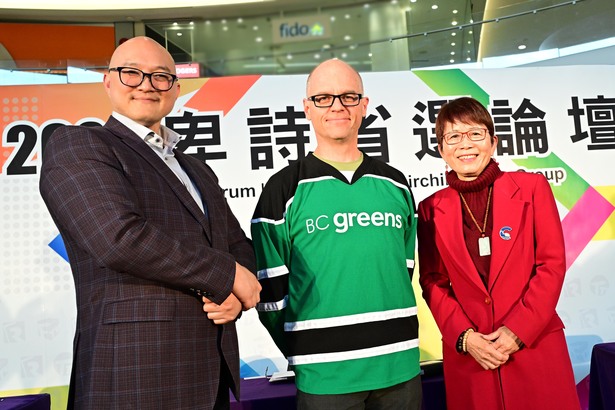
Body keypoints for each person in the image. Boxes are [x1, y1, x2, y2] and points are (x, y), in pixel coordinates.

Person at [39, 36, 261, 409]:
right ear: (108, 81)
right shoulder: (80, 145)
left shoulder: (197, 168)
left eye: (160, 76)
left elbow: (237, 246)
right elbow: (118, 237)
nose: (146, 84)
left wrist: (234, 298)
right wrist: (224, 276)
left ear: (175, 88)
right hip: (135, 371)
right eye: (131, 73)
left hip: (209, 372)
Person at [251, 59, 422, 409]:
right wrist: (304, 351)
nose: (337, 106)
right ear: (307, 108)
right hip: (325, 373)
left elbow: (402, 267)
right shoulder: (283, 189)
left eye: (348, 96)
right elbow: (269, 291)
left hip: (400, 364)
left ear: (364, 105)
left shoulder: (396, 183)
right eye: (324, 98)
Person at [417, 97, 580, 410]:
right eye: (453, 137)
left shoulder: (531, 188)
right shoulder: (430, 210)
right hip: (472, 356)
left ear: (492, 142)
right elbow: (433, 282)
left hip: (534, 346)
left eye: (475, 134)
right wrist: (464, 337)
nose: (465, 145)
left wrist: (518, 330)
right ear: (441, 150)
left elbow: (551, 264)